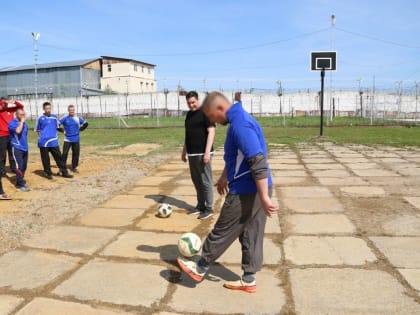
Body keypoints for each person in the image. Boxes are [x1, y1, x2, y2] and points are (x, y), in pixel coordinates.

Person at [177, 91, 278, 293]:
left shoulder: (240, 125)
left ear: (219, 108)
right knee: (251, 233)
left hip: (247, 191)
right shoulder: (239, 120)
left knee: (223, 229)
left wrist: (264, 198)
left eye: (213, 117)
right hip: (258, 187)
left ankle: (199, 267)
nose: (213, 121)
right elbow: (238, 156)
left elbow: (257, 161)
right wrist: (225, 176)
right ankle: (249, 279)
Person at [181, 91, 216, 220]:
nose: (191, 105)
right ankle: (200, 206)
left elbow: (211, 131)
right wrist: (184, 151)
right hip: (192, 153)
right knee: (196, 180)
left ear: (198, 100)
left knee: (206, 181)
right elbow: (188, 134)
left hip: (203, 153)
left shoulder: (206, 112)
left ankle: (209, 207)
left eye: (193, 102)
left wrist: (207, 152)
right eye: (189, 103)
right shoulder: (189, 115)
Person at [35, 102, 73, 179]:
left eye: (49, 108)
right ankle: (48, 173)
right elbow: (38, 130)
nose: (48, 110)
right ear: (44, 109)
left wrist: (63, 131)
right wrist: (40, 138)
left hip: (53, 141)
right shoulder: (40, 118)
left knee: (59, 157)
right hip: (44, 142)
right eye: (46, 108)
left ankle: (64, 172)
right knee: (45, 159)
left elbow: (57, 127)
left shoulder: (54, 117)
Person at [59, 105, 88, 173]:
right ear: (68, 110)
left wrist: (81, 129)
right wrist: (63, 131)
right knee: (64, 154)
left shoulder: (77, 118)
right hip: (67, 139)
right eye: (70, 110)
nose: (72, 111)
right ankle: (62, 167)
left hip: (76, 139)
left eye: (73, 110)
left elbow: (86, 123)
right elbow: (56, 124)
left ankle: (74, 167)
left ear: (74, 110)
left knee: (76, 153)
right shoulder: (64, 118)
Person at [0, 97, 24, 177]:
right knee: (2, 155)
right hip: (2, 136)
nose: (5, 104)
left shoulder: (11, 110)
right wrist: (2, 103)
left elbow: (21, 107)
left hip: (11, 135)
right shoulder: (1, 111)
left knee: (12, 153)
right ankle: (2, 171)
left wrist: (14, 101)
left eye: (6, 103)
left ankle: (13, 168)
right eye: (4, 103)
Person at [8, 108, 30, 191]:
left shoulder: (25, 124)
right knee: (19, 166)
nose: (22, 116)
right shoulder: (12, 123)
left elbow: (25, 134)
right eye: (21, 115)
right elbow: (18, 131)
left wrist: (23, 122)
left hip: (25, 148)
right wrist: (21, 122)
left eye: (23, 115)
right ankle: (20, 185)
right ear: (16, 115)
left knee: (24, 166)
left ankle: (19, 181)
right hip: (17, 148)